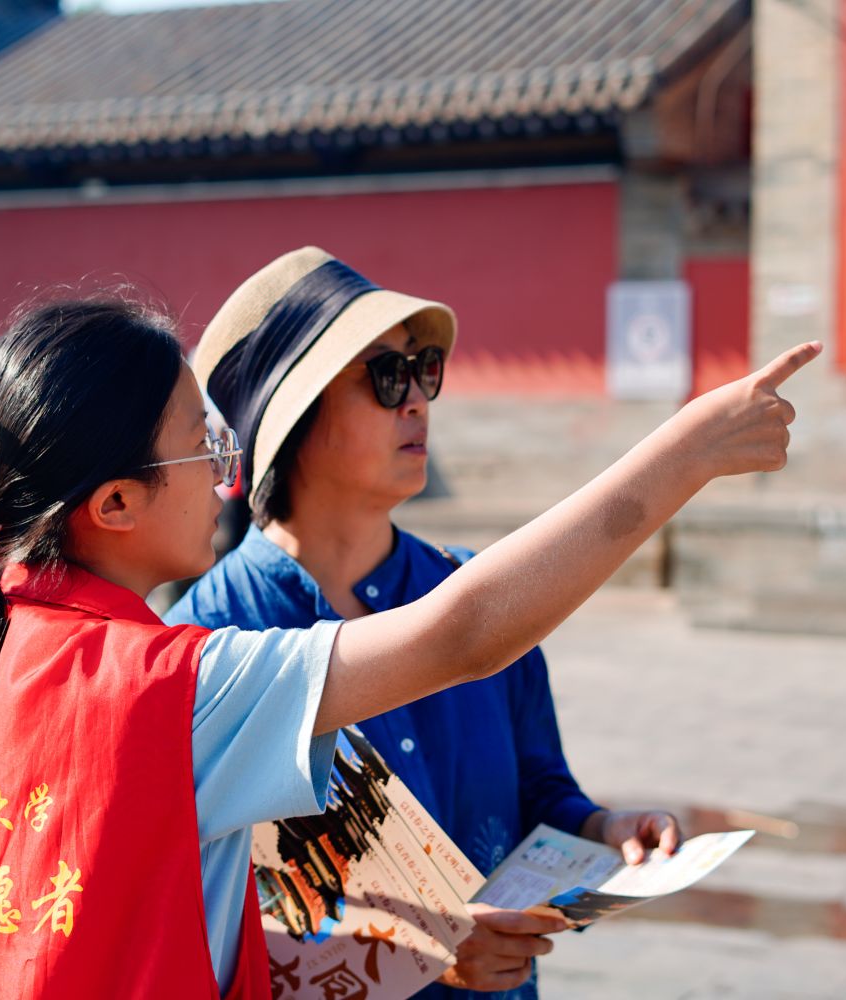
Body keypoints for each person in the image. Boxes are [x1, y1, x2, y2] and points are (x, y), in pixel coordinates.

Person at [0, 294, 816, 998]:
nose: (222, 477)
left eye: (425, 373)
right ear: (114, 502)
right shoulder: (182, 675)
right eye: (201, 448)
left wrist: (450, 931)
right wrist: (688, 450)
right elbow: (466, 633)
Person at [169, 247, 684, 997]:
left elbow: (540, 788)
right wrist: (422, 948)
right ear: (292, 417)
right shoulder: (209, 640)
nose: (416, 400)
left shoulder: (479, 593)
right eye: (386, 375)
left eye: (424, 368)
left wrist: (604, 831)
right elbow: (210, 911)